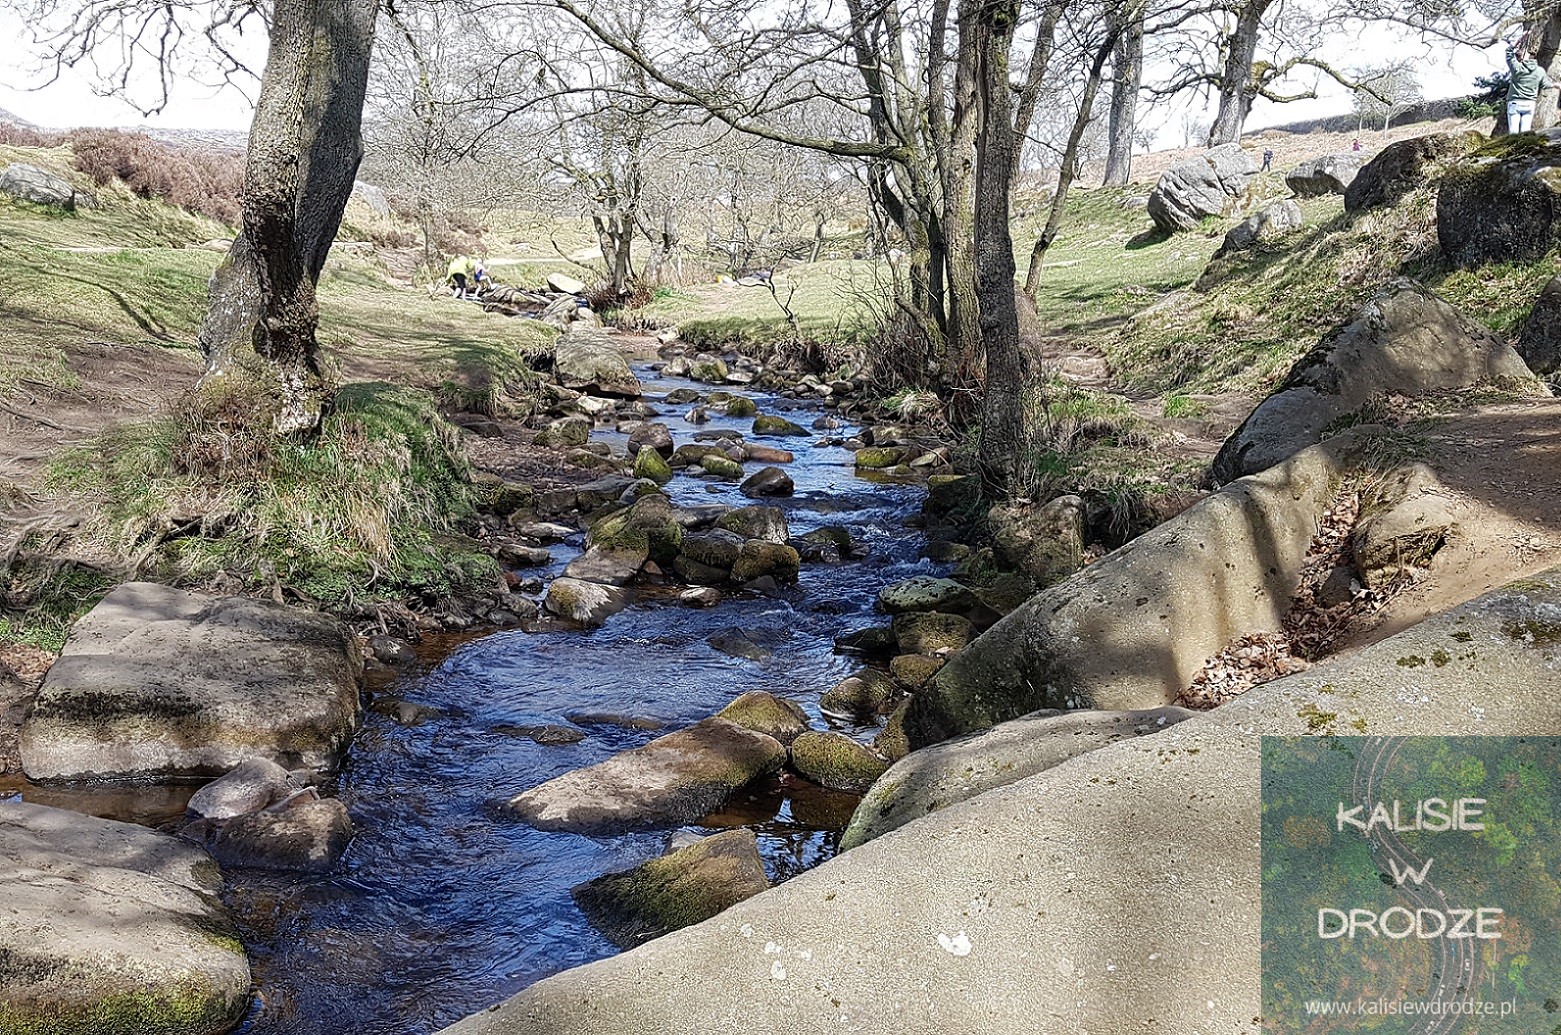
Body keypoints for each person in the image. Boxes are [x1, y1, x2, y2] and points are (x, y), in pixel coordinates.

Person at [1506, 40, 1553, 134]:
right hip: (1529, 103)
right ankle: (1526, 148)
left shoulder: (1517, 68)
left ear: (1525, 58)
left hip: (1515, 102)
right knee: (1525, 131)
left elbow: (1509, 53)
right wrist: (1554, 85)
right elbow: (1546, 85)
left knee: (1513, 131)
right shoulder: (1540, 71)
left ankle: (1514, 148)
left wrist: (1516, 42)